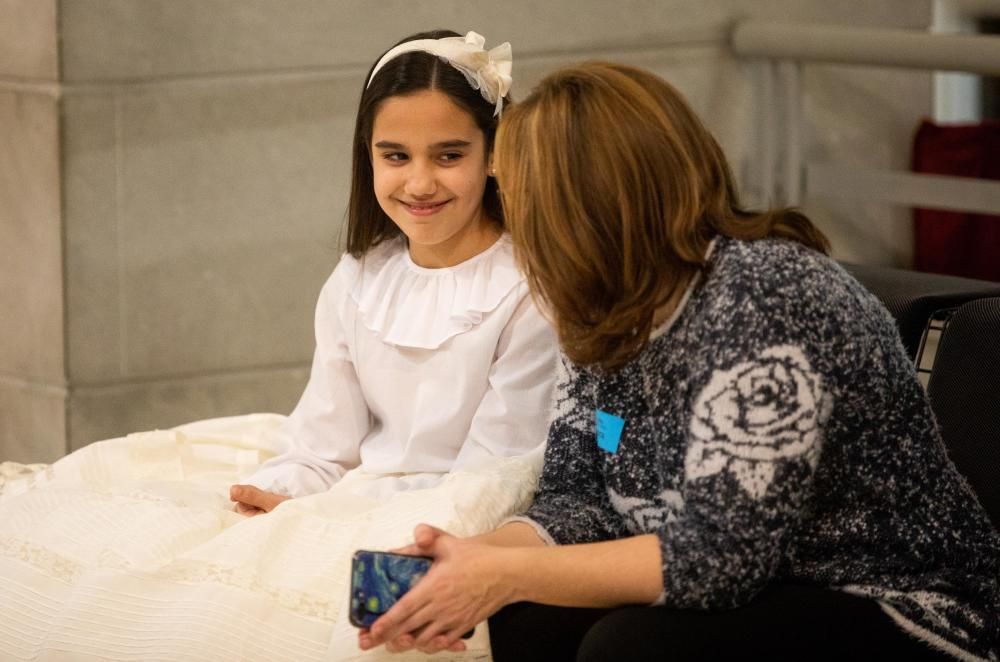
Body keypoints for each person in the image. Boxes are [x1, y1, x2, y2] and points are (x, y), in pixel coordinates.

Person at [357, 62, 1000, 661]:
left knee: (630, 648)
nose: (513, 220)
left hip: (897, 604)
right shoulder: (599, 305)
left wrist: (506, 573)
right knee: (515, 619)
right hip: (762, 581)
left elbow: (722, 555)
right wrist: (464, 563)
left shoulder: (767, 299)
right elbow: (578, 497)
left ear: (586, 204)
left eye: (521, 197)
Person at [230, 30, 557, 515]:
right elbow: (322, 446)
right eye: (396, 156)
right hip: (357, 504)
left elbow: (496, 476)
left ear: (493, 153)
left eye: (449, 155)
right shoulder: (358, 279)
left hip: (464, 524)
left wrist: (335, 516)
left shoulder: (528, 290)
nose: (420, 183)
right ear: (370, 156)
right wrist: (280, 495)